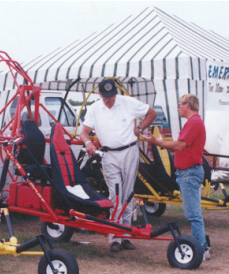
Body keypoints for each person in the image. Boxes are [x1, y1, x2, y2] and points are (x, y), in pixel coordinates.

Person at [80, 78, 157, 253]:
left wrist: (140, 128)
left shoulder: (128, 102)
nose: (110, 100)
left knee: (128, 194)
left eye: (113, 96)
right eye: (106, 97)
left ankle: (126, 236)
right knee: (116, 195)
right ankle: (114, 237)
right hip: (109, 155)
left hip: (129, 151)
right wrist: (88, 144)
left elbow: (151, 113)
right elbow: (84, 132)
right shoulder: (94, 109)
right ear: (100, 95)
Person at [141, 94, 210, 261]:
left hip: (189, 173)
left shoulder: (194, 123)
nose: (178, 108)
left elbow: (179, 145)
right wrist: (161, 142)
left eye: (180, 104)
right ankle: (202, 247)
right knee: (193, 213)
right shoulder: (194, 122)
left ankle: (201, 249)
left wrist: (158, 142)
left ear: (187, 105)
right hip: (188, 172)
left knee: (193, 214)